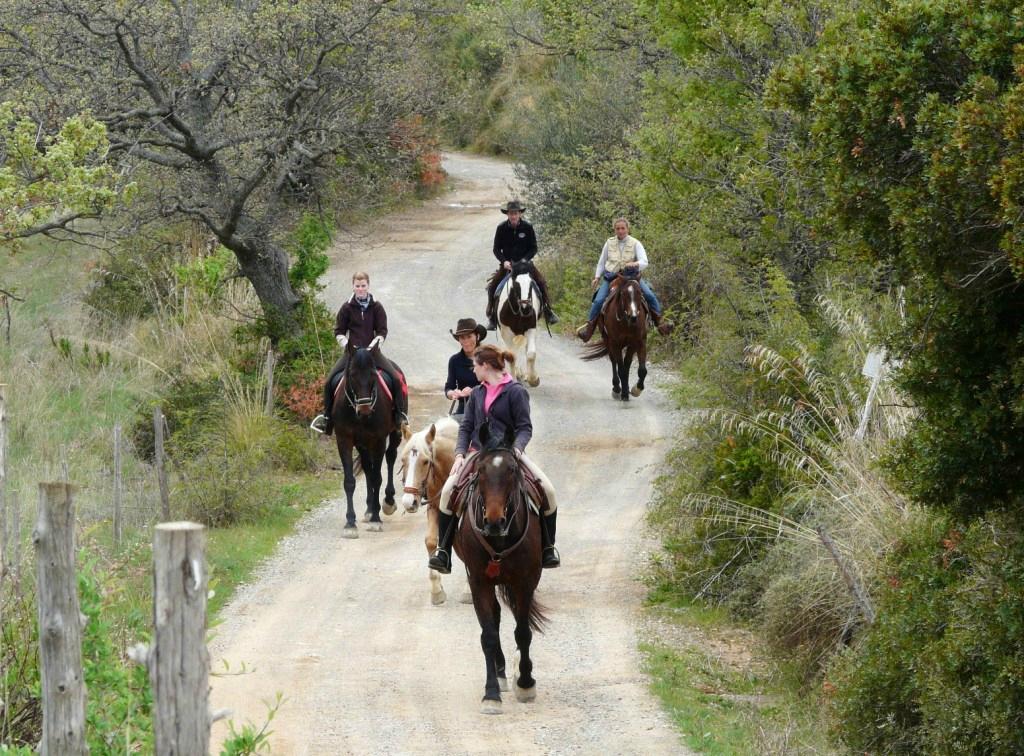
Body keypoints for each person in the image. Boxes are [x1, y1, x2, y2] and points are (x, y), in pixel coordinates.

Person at [428, 344, 560, 573]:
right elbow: (466, 427)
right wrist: (459, 454)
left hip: (510, 453)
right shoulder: (477, 393)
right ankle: (443, 552)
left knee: (548, 490)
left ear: (485, 366)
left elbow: (524, 428)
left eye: (475, 366)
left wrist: (517, 449)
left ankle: (548, 548)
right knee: (448, 491)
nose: (474, 371)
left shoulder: (516, 391)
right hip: (479, 453)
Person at [310, 272, 408, 435]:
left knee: (396, 379)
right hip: (351, 354)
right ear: (353, 286)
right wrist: (348, 345)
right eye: (357, 286)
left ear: (368, 286)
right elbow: (339, 331)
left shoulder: (377, 307)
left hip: (373, 354)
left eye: (363, 286)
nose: (360, 289)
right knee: (328, 382)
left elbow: (382, 330)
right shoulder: (346, 307)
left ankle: (399, 416)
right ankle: (327, 419)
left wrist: (372, 347)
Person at [576, 217, 673, 342]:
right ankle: (589, 329)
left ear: (627, 229)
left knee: (649, 295)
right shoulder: (609, 243)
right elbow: (601, 262)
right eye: (618, 228)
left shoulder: (635, 243)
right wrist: (596, 277)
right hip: (612, 277)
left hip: (631, 277)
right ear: (614, 230)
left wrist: (635, 264)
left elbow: (644, 261)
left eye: (623, 228)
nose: (620, 231)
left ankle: (660, 323)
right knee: (599, 300)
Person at [485, 199, 559, 330]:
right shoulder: (501, 228)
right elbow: (496, 249)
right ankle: (492, 316)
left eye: (516, 213)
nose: (513, 216)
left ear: (520, 214)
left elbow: (533, 248)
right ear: (507, 214)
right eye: (511, 213)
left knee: (541, 282)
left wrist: (525, 260)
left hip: (525, 265)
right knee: (493, 287)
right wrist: (504, 261)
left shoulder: (528, 227)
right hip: (507, 266)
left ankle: (548, 311)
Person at [445, 318, 486, 420]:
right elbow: (449, 387)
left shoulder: (487, 357)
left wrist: (473, 391)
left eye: (469, 336)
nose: (466, 341)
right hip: (464, 410)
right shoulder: (454, 360)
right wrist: (453, 393)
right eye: (462, 338)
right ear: (459, 340)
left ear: (477, 336)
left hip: (487, 408)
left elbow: (497, 385)